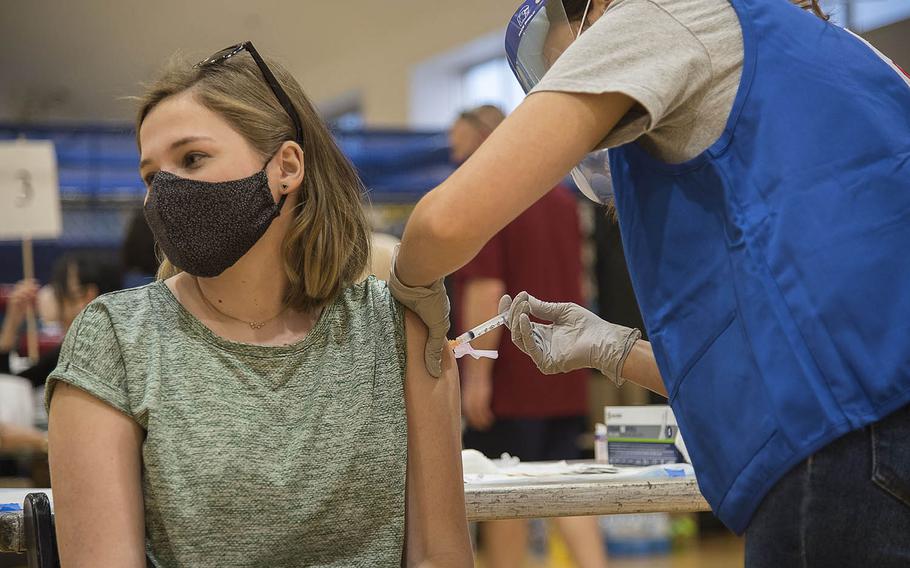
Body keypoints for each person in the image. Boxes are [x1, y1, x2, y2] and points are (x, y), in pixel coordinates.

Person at [389, 1, 910, 566]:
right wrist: (614, 350)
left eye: (572, 58)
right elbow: (789, 349)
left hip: (850, 454)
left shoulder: (661, 15)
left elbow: (443, 224)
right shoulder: (854, 62)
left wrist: (406, 288)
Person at [46, 42, 471, 567]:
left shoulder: (392, 326)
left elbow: (440, 556)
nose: (165, 195)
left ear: (287, 166)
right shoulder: (116, 340)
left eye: (192, 158)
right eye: (152, 177)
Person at [450, 105, 608, 568]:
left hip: (514, 380)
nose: (457, 160)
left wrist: (476, 378)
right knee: (566, 492)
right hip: (565, 369)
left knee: (504, 497)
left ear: (486, 141)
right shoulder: (561, 200)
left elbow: (486, 289)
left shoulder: (489, 195)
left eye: (461, 148)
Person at [0, 253, 121, 388]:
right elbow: (16, 384)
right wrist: (12, 322)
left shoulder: (82, 353)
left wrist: (10, 327)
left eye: (60, 284)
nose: (51, 292)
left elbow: (12, 388)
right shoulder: (80, 345)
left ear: (88, 295)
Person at [121, 207, 160, 288]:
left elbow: (127, 254)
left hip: (134, 275)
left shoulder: (136, 226)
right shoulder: (155, 232)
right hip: (151, 275)